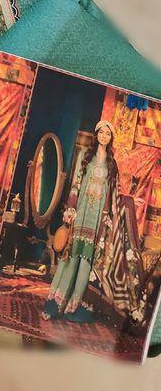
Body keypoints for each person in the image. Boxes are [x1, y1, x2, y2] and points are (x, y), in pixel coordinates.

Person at [43, 120, 118, 322]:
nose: (104, 136)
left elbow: (111, 194)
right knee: (70, 258)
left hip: (96, 221)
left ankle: (73, 307)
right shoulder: (86, 156)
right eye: (101, 132)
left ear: (111, 138)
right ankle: (54, 304)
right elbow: (76, 184)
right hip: (80, 215)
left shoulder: (112, 164)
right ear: (96, 134)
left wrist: (107, 219)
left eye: (108, 134)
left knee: (86, 263)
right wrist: (71, 208)